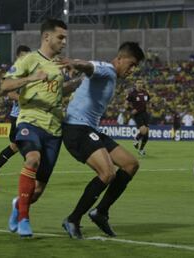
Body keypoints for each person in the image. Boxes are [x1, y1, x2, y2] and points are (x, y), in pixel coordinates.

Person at [0, 18, 81, 238]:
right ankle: (25, 220)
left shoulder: (58, 65)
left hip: (54, 130)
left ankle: (19, 205)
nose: (64, 42)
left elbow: (56, 92)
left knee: (36, 191)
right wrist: (31, 77)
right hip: (30, 121)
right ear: (47, 37)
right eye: (60, 37)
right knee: (32, 158)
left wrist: (74, 84)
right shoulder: (29, 60)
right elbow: (4, 85)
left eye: (65, 38)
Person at [61, 42, 145, 239]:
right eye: (131, 65)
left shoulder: (112, 76)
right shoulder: (107, 70)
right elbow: (89, 66)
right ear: (120, 59)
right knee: (107, 173)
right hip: (77, 129)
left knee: (131, 164)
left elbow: (83, 79)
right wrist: (74, 63)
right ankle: (73, 219)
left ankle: (100, 212)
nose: (132, 70)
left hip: (91, 129)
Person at [0, 45, 31, 189]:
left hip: (31, 116)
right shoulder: (15, 73)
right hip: (18, 117)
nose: (26, 59)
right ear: (18, 57)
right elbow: (10, 93)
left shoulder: (31, 72)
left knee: (16, 147)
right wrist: (26, 100)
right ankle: (30, 182)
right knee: (27, 149)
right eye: (23, 56)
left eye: (28, 56)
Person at [126, 78, 150, 156]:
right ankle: (136, 139)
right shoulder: (132, 93)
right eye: (138, 83)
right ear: (135, 84)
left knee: (146, 134)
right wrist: (131, 110)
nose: (140, 84)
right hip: (137, 114)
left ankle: (141, 149)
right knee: (143, 131)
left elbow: (148, 102)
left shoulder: (146, 92)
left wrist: (149, 108)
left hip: (145, 114)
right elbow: (126, 104)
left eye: (141, 83)